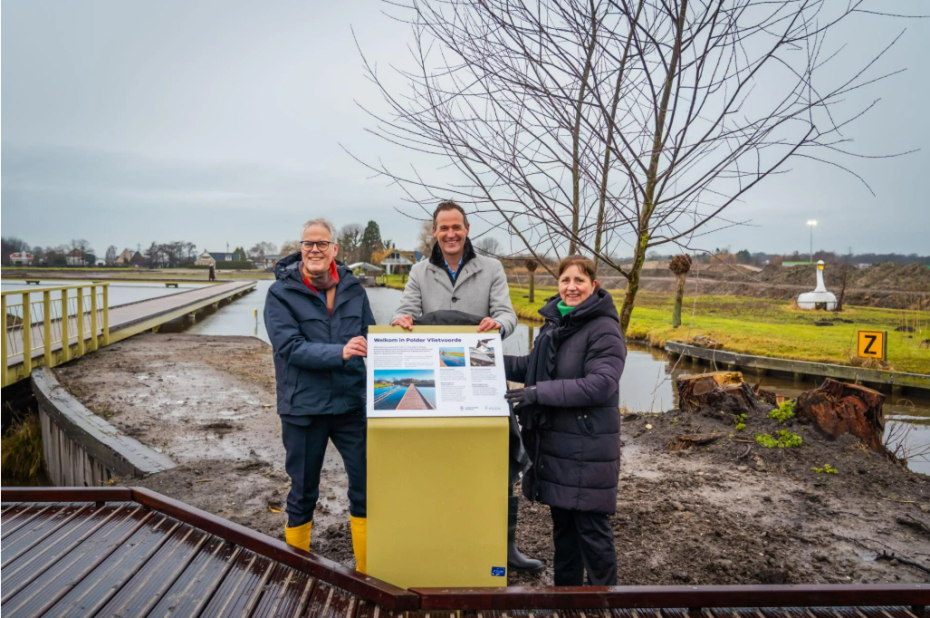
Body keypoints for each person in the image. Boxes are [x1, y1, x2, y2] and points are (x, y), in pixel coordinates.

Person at [391, 201, 542, 573]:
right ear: (435, 232)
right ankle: (443, 538)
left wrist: (499, 326)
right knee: (439, 460)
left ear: (467, 228)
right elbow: (402, 311)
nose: (450, 234)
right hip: (436, 386)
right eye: (443, 228)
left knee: (494, 459)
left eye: (456, 226)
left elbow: (508, 315)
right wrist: (402, 320)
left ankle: (505, 547)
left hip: (480, 378)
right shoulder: (418, 271)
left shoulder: (491, 268)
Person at [503, 255, 627, 585]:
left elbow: (601, 385)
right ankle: (567, 598)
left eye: (579, 281)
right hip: (558, 444)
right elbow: (531, 365)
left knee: (591, 530)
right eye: (565, 281)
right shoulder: (557, 324)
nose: (571, 287)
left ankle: (606, 602)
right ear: (558, 285)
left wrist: (538, 393)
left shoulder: (604, 330)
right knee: (564, 530)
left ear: (593, 286)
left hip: (587, 446)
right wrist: (483, 357)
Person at [264, 218, 375, 573]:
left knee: (366, 487)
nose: (315, 249)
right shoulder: (280, 293)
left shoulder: (354, 290)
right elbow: (290, 348)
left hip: (349, 405)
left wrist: (395, 338)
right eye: (309, 243)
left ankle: (368, 570)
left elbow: (371, 336)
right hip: (304, 409)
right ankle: (297, 571)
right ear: (301, 249)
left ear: (334, 250)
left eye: (322, 244)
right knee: (303, 493)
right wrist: (341, 352)